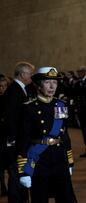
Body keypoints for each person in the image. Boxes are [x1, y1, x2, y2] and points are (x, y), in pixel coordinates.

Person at [16, 67, 76, 202]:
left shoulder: (61, 105)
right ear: (38, 84)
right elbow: (23, 140)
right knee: (40, 198)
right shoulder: (28, 108)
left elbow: (65, 135)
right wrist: (23, 171)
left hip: (60, 159)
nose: (51, 86)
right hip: (40, 160)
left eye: (54, 83)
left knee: (66, 198)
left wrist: (70, 162)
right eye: (47, 82)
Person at [3, 61, 34, 202]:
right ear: (22, 74)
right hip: (15, 142)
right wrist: (13, 139)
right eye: (30, 74)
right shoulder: (13, 90)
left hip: (21, 140)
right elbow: (10, 117)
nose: (31, 77)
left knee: (20, 172)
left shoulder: (21, 89)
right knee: (15, 173)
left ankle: (21, 199)